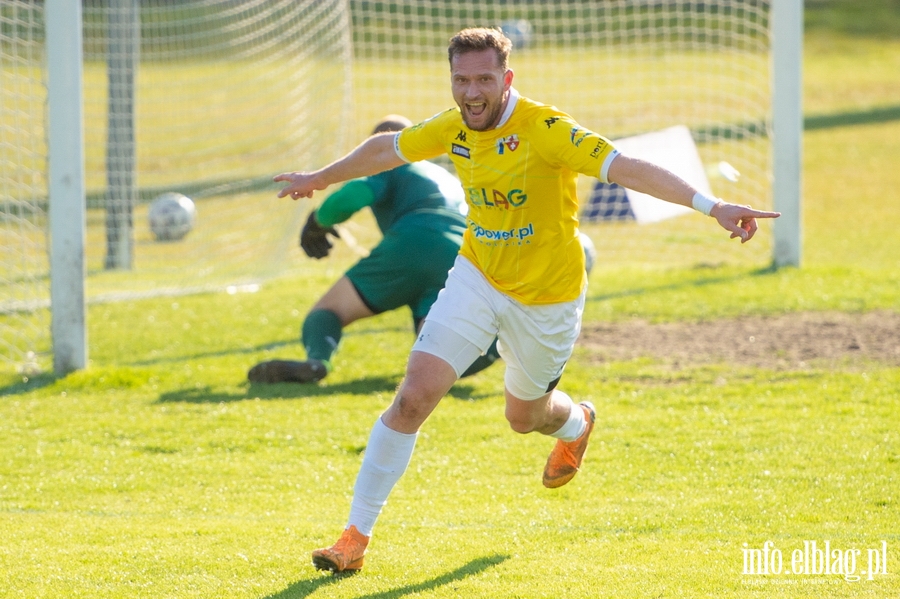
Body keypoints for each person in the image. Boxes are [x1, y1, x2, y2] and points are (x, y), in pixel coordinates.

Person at [273, 27, 781, 575]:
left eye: (484, 79)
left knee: (524, 416)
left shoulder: (545, 129)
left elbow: (626, 166)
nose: (471, 92)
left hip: (548, 299)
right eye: (461, 80)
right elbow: (387, 149)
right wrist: (319, 178)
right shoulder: (453, 128)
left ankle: (576, 423)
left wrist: (712, 206)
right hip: (476, 278)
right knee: (412, 399)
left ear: (506, 79)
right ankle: (354, 539)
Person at [249, 115, 500, 385]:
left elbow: (354, 194)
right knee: (436, 353)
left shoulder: (392, 163)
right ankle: (502, 345)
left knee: (328, 311)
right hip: (463, 254)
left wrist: (318, 222)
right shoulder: (446, 176)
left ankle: (317, 362)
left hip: (414, 241)